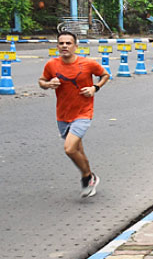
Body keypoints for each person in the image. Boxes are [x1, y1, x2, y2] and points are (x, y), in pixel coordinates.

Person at [38, 31, 111, 198]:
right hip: (63, 114)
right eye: (61, 43)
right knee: (78, 150)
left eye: (68, 43)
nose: (64, 46)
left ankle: (87, 177)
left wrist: (95, 88)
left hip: (83, 112)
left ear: (75, 46)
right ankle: (90, 175)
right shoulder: (52, 65)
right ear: (57, 46)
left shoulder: (87, 64)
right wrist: (49, 84)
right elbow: (41, 81)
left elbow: (105, 74)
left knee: (70, 149)